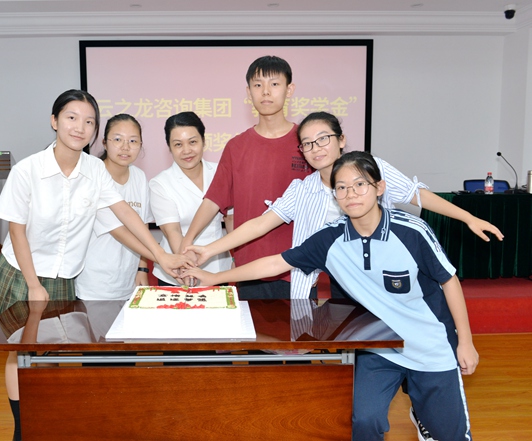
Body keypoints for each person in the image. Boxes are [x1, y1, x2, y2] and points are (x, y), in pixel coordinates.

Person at [182, 151, 479, 441]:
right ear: (335, 195)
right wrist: (215, 278)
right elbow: (276, 263)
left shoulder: (412, 231)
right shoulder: (331, 238)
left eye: (360, 184)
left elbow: (449, 281)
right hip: (379, 347)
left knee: (449, 434)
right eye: (342, 188)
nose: (351, 194)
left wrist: (465, 342)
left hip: (430, 346)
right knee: (363, 421)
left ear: (379, 188)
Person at [0, 90, 191, 441]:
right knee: (22, 351)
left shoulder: (94, 170)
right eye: (72, 117)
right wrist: (33, 284)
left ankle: (48, 420)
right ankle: (22, 429)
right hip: (23, 272)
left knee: (52, 352)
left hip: (65, 276)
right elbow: (16, 231)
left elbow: (124, 213)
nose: (80, 127)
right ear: (54, 121)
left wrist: (161, 255)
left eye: (89, 121)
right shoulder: (28, 170)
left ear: (94, 131)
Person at [185, 111, 504, 299]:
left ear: (340, 139)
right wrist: (209, 250)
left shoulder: (369, 168)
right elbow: (259, 224)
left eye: (323, 138)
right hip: (343, 281)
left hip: (386, 276)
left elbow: (415, 194)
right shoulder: (302, 189)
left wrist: (467, 217)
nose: (316, 148)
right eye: (307, 143)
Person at [180, 55, 312, 299]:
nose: (266, 92)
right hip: (247, 269)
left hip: (298, 268)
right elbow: (213, 200)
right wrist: (187, 242)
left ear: (289, 89)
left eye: (274, 84)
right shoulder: (236, 146)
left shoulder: (307, 144)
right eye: (258, 85)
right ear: (248, 91)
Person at [75, 114, 154, 300]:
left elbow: (143, 225)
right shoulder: (92, 177)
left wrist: (142, 268)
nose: (125, 147)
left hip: (128, 281)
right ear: (104, 142)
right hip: (94, 284)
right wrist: (162, 257)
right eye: (118, 139)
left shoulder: (139, 176)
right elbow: (119, 231)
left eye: (133, 141)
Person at [149, 111, 233, 286]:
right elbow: (172, 231)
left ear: (204, 141)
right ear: (169, 148)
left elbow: (231, 219)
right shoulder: (160, 183)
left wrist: (237, 257)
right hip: (177, 271)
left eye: (193, 142)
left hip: (219, 268)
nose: (186, 150)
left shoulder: (220, 172)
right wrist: (186, 266)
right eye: (178, 144)